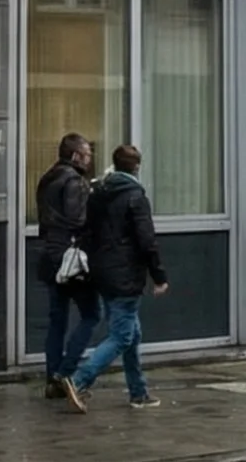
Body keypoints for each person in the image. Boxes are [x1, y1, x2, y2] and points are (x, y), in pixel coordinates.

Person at [64, 144, 167, 413]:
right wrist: (159, 276)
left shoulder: (99, 193)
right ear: (137, 167)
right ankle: (79, 381)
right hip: (126, 276)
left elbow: (87, 231)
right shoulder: (135, 196)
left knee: (132, 333)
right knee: (122, 336)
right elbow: (147, 241)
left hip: (103, 274)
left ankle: (138, 392)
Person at [34, 133, 99, 397]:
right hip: (70, 258)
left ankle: (53, 379)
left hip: (49, 254)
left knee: (57, 320)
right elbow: (78, 220)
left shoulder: (47, 178)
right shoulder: (75, 181)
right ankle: (65, 372)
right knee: (92, 314)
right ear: (75, 156)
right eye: (86, 155)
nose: (89, 159)